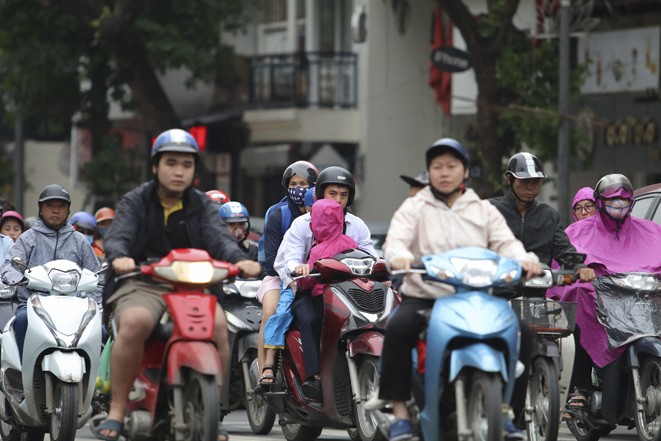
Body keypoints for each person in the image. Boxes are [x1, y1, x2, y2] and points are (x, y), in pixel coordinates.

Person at [92, 129, 261, 441]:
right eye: (171, 163)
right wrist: (119, 257)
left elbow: (219, 238)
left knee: (220, 327)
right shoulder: (135, 201)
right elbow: (119, 237)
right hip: (143, 281)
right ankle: (116, 409)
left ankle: (215, 409)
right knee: (134, 322)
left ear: (195, 170)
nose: (179, 170)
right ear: (156, 166)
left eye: (187, 164)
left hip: (193, 286)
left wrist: (240, 259)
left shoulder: (202, 206)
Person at [378, 138, 542, 441]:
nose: (444, 172)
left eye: (452, 166)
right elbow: (396, 240)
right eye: (437, 166)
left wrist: (526, 260)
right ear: (429, 171)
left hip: (477, 297)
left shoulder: (481, 209)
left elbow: (506, 244)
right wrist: (398, 255)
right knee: (398, 327)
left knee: (523, 333)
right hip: (427, 296)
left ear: (464, 171)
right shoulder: (415, 206)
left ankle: (506, 412)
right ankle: (399, 413)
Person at [489, 152, 594, 437]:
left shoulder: (548, 215)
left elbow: (564, 250)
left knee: (570, 334)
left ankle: (564, 389)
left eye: (536, 181)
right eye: (524, 181)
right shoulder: (491, 211)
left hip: (536, 297)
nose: (531, 186)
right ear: (509, 180)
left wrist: (580, 267)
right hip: (497, 296)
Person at [547, 174, 661, 427]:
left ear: (631, 203)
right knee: (581, 295)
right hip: (599, 304)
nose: (618, 206)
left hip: (640, 301)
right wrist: (579, 276)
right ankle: (582, 388)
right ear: (600, 202)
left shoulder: (651, 230)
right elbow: (564, 263)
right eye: (612, 202)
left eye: (624, 202)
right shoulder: (578, 231)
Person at [265, 166, 377, 398]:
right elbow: (287, 260)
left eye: (343, 195)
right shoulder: (301, 225)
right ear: (319, 194)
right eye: (332, 193)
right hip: (308, 289)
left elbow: (371, 256)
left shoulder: (356, 225)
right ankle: (314, 378)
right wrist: (298, 268)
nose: (338, 199)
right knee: (311, 318)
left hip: (348, 289)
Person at [0, 185, 100, 358]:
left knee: (101, 330)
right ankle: (25, 374)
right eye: (50, 206)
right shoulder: (27, 238)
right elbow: (10, 266)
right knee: (22, 321)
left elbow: (97, 274)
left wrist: (96, 302)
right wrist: (22, 278)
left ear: (68, 210)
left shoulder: (80, 241)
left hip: (75, 307)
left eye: (61, 206)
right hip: (34, 304)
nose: (55, 211)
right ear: (41, 209)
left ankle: (92, 377)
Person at [256, 160, 318, 382]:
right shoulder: (278, 215)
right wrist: (294, 271)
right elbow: (273, 260)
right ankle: (266, 369)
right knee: (272, 310)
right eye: (294, 183)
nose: (299, 188)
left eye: (304, 183)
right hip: (278, 276)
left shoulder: (326, 214)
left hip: (315, 277)